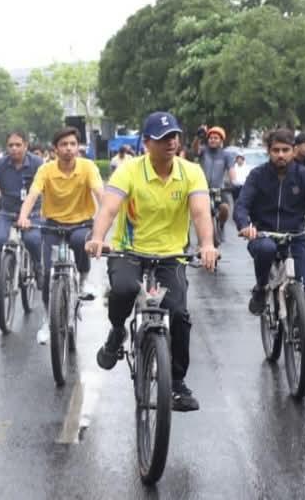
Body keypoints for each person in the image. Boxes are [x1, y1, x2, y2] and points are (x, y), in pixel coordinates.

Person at [86, 112, 218, 412]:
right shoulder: (128, 171)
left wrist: (207, 244)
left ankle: (178, 383)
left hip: (171, 255)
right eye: (162, 138)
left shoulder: (190, 172)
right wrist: (97, 237)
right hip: (130, 251)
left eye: (174, 136)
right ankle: (118, 330)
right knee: (122, 290)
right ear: (147, 143)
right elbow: (108, 209)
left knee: (180, 314)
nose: (171, 142)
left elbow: (200, 212)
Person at [234, 128, 305, 356]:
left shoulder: (304, 176)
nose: (280, 155)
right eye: (275, 150)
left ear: (293, 151)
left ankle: (303, 334)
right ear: (268, 151)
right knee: (266, 249)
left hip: (296, 238)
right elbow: (242, 205)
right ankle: (262, 288)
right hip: (263, 235)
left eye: (285, 150)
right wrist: (245, 225)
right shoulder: (257, 176)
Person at [17, 126, 104, 343]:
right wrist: (24, 216)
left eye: (73, 144)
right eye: (64, 145)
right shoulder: (46, 170)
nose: (69, 149)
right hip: (53, 225)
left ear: (78, 147)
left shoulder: (88, 167)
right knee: (47, 275)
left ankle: (83, 280)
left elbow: (100, 193)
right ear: (55, 149)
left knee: (79, 242)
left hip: (81, 224)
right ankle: (48, 318)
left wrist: (107, 215)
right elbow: (33, 194)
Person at [0, 131, 44, 307]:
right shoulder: (0, 164)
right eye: (10, 145)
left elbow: (46, 187)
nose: (14, 149)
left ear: (26, 146)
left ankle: (38, 267)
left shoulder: (37, 163)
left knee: (33, 240)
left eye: (18, 145)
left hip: (33, 213)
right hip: (6, 212)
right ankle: (3, 280)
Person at [192, 126, 235, 238]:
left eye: (216, 138)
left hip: (220, 189)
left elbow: (231, 170)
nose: (213, 140)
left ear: (221, 140)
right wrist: (198, 137)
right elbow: (195, 149)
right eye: (211, 138)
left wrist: (233, 182)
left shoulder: (226, 155)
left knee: (225, 208)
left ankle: (221, 224)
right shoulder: (204, 151)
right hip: (203, 188)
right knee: (203, 212)